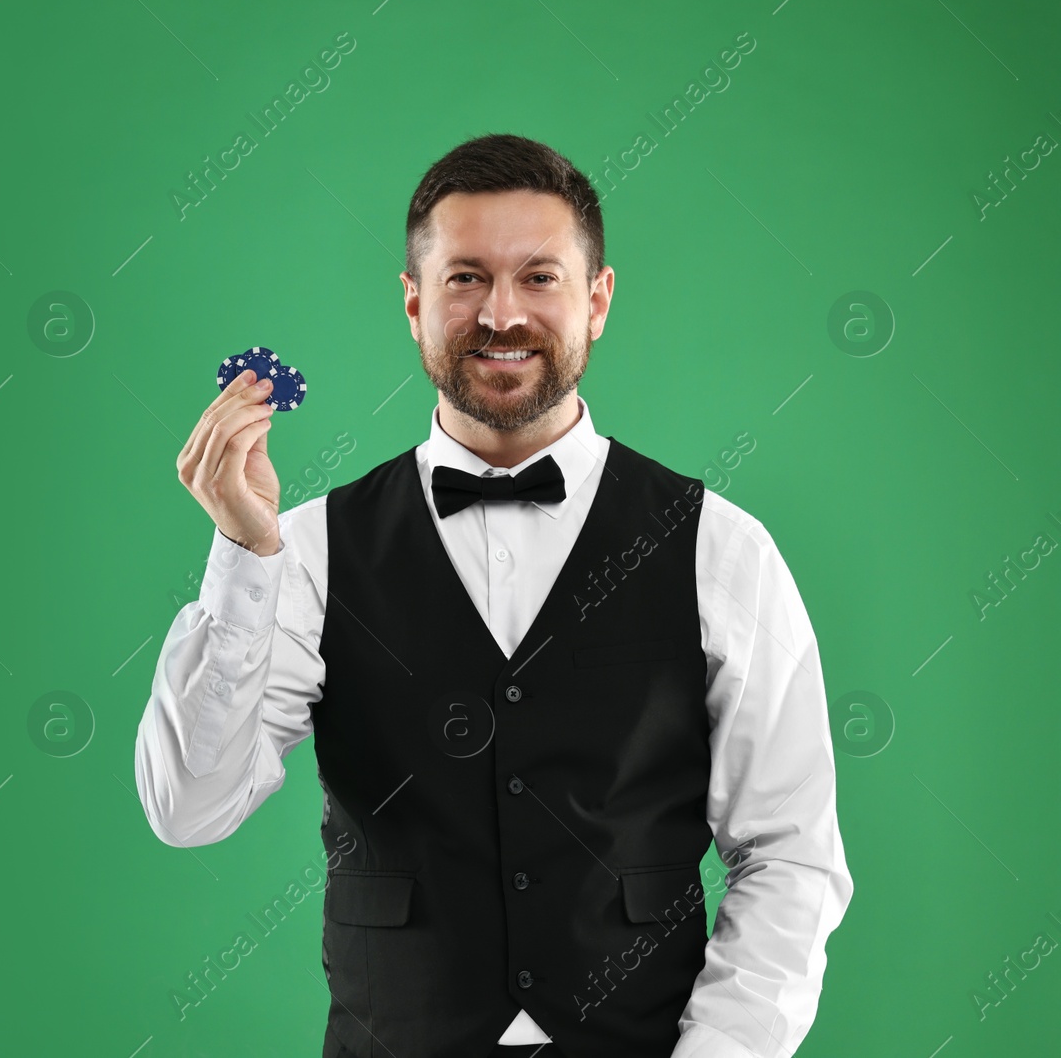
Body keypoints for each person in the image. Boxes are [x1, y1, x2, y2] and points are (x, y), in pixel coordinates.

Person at [134, 133, 852, 1058]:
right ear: (413, 303)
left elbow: (790, 856)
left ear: (597, 302)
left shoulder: (721, 547)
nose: (501, 314)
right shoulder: (302, 550)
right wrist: (242, 552)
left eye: (540, 278)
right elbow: (188, 808)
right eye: (465, 278)